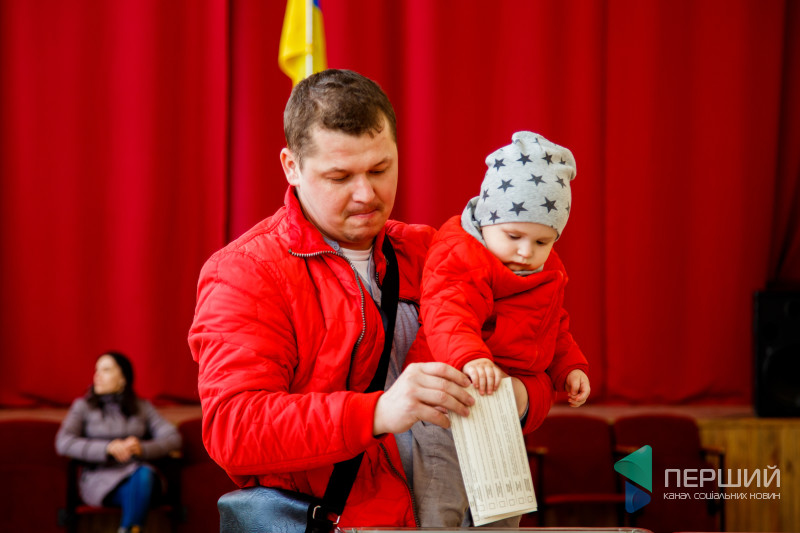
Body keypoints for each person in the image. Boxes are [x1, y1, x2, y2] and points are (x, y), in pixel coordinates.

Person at [188, 69, 545, 527]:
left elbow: (533, 350)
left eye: (380, 169)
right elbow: (235, 429)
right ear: (291, 167)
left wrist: (523, 398)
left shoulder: (434, 250)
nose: (366, 194)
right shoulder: (245, 271)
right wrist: (377, 411)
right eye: (339, 176)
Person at [404, 131, 591, 527]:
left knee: (505, 512)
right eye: (513, 236)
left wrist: (569, 367)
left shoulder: (547, 270)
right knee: (441, 501)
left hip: (502, 412)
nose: (526, 252)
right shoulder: (460, 253)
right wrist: (471, 357)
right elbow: (447, 312)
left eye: (542, 241)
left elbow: (554, 325)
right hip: (449, 403)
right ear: (487, 219)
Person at [55, 352, 182, 533]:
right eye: (96, 370)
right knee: (141, 482)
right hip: (100, 480)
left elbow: (173, 439)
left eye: (106, 370)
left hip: (139, 477)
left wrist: (142, 448)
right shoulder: (83, 407)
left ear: (123, 378)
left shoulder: (142, 407)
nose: (97, 376)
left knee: (143, 475)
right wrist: (107, 448)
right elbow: (63, 442)